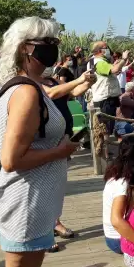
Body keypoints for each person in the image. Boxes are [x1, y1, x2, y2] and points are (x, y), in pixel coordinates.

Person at [0, 17, 80, 267]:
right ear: (24, 48)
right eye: (46, 43)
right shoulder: (26, 92)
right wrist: (60, 151)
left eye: (55, 42)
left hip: (32, 200)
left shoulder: (34, 86)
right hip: (25, 201)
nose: (53, 48)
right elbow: (11, 160)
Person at [39, 66, 96, 252]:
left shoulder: (55, 81)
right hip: (46, 142)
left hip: (63, 139)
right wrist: (79, 79)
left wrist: (88, 82)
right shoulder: (35, 84)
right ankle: (44, 233)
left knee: (58, 184)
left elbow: (72, 92)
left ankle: (55, 222)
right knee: (45, 188)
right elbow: (52, 94)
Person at [87, 42, 130, 156]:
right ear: (100, 50)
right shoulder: (99, 62)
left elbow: (111, 71)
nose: (109, 50)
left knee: (104, 127)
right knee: (105, 128)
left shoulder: (92, 61)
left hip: (102, 97)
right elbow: (114, 70)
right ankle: (104, 154)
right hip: (104, 99)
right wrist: (123, 59)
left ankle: (104, 151)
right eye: (106, 48)